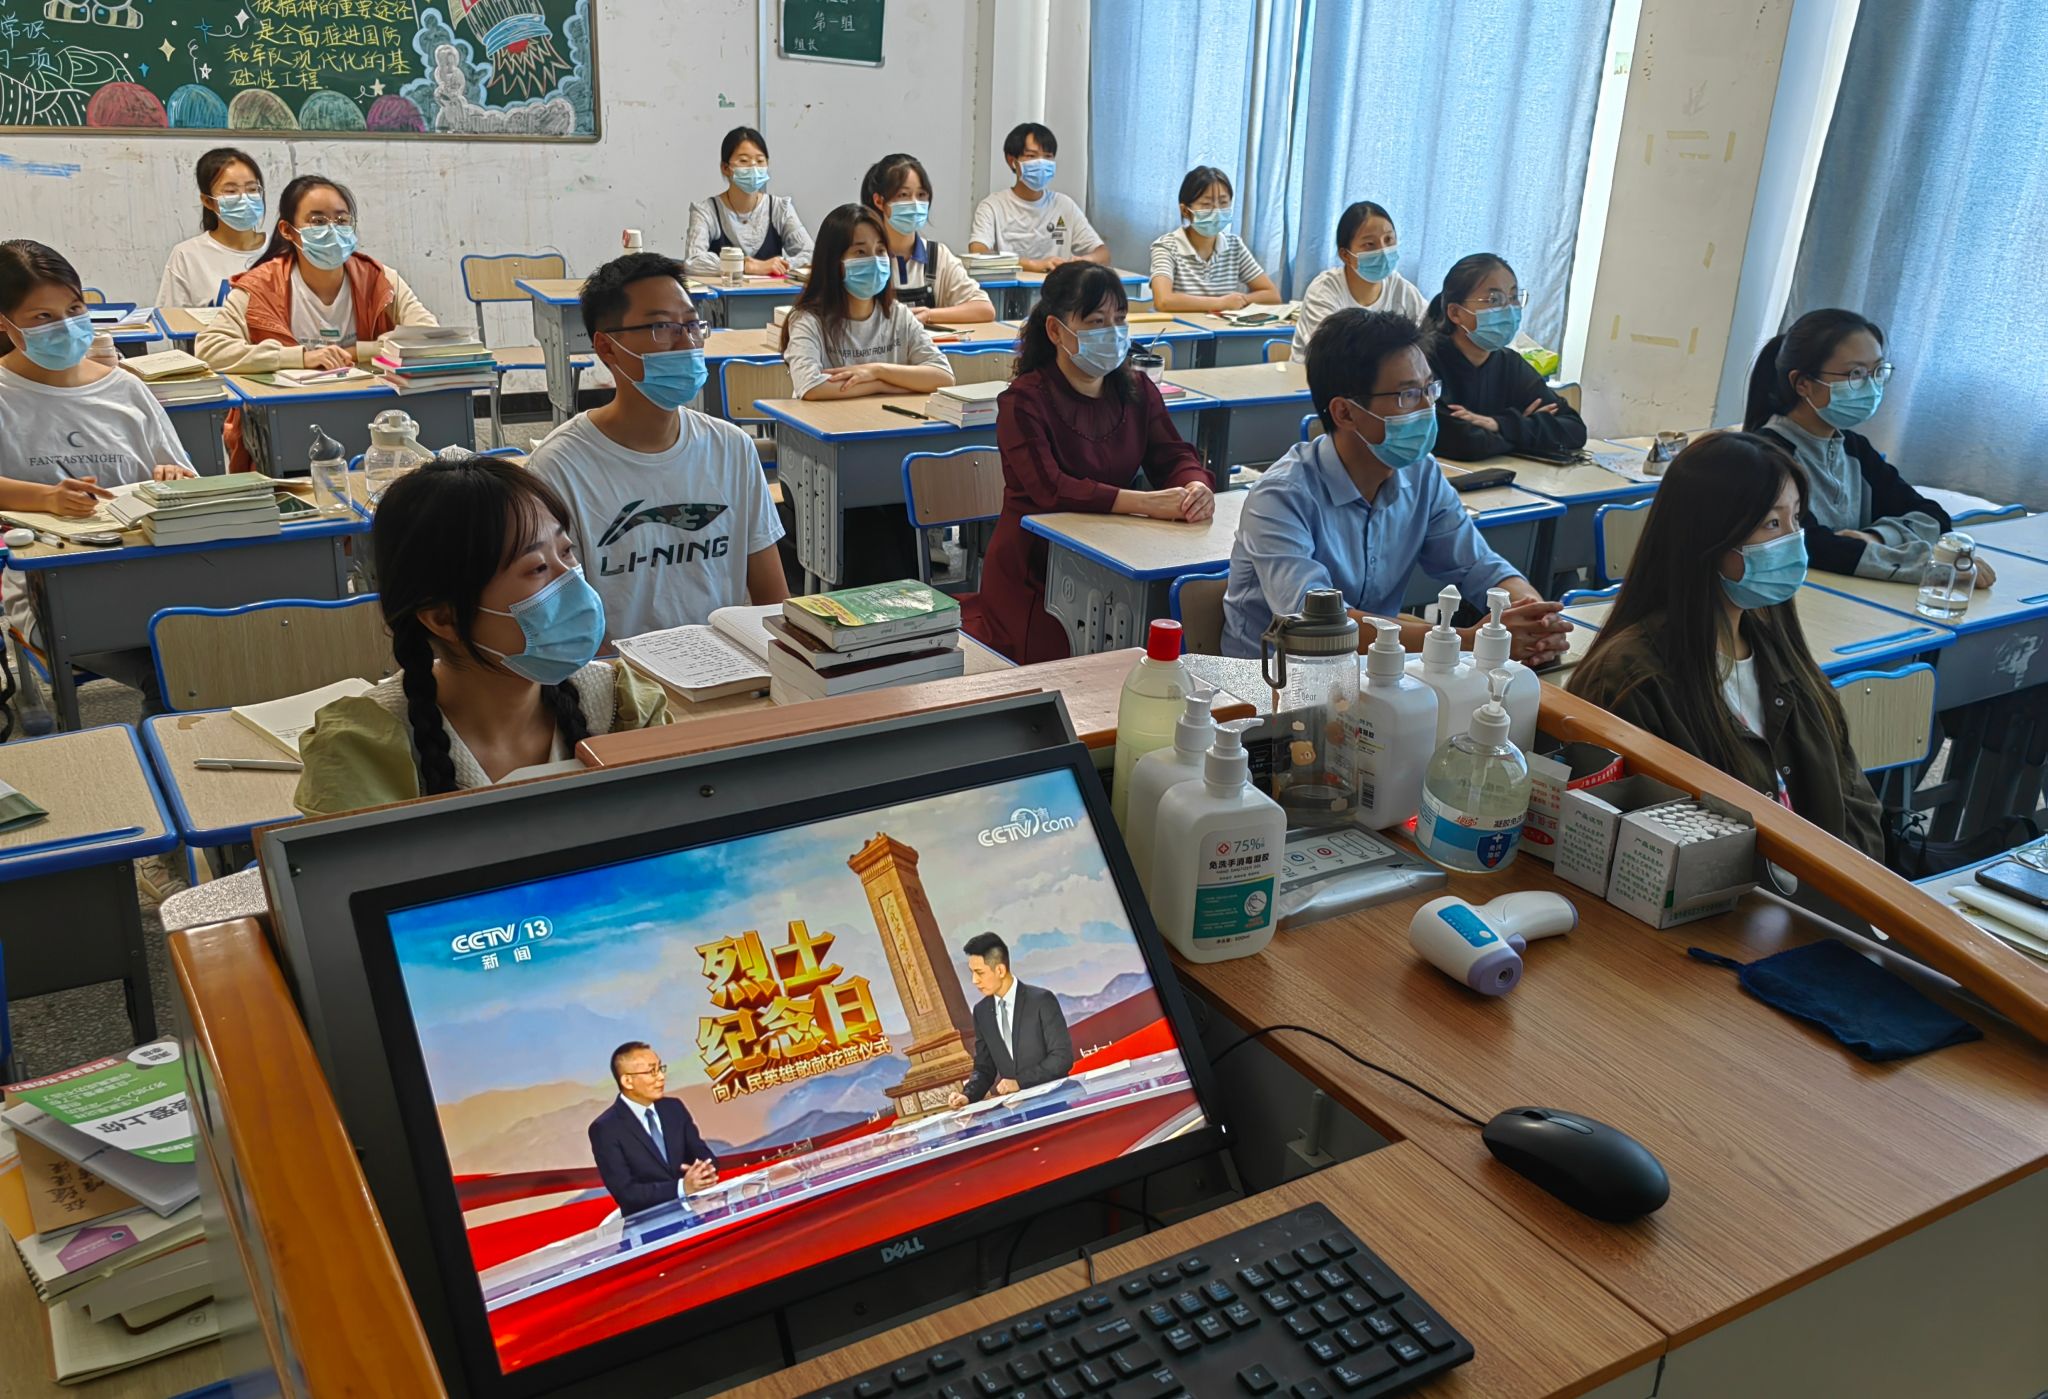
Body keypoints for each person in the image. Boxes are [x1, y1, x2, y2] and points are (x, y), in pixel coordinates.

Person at [294, 455, 670, 818]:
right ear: (444, 618)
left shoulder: (620, 706)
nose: (571, 580)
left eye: (566, 551)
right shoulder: (363, 752)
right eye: (537, 568)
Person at [1568, 433, 1884, 860]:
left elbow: (1856, 808)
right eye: (1772, 524)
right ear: (1708, 537)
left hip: (1819, 897)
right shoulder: (1630, 680)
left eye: (1796, 519)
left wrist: (1848, 891)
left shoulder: (1780, 650)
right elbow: (1634, 853)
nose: (1793, 540)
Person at [1222, 309, 1569, 662]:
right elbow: (1316, 626)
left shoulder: (1421, 474)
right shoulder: (1281, 496)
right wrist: (1466, 641)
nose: (1428, 407)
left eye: (1430, 389)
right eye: (1408, 395)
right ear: (1345, 412)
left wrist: (1534, 615)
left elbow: (1478, 566)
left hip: (1375, 673)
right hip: (1267, 679)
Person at [526, 253, 786, 638]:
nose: (686, 342)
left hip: (724, 665)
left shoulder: (732, 449)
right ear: (607, 348)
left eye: (692, 324)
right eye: (661, 327)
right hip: (620, 671)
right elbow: (564, 628)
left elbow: (773, 605)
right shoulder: (558, 469)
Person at [971, 262, 1214, 664]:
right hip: (1036, 568)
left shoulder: (1137, 389)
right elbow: (1050, 489)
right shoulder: (1023, 401)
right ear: (1055, 331)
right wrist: (1145, 503)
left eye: (1119, 320)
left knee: (1158, 643)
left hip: (1114, 551)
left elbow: (1173, 455)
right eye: (1097, 322)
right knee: (1075, 665)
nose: (1112, 333)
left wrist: (1194, 486)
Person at [1, 239, 197, 704]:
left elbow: (189, 479)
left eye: (74, 309)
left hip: (152, 572)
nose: (65, 326)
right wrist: (47, 498)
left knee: (238, 644)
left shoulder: (125, 388)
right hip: (55, 591)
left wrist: (173, 478)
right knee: (173, 672)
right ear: (5, 324)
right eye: (43, 317)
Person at [195, 175, 439, 471]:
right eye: (318, 221)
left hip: (375, 418)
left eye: (341, 220)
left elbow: (429, 338)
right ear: (288, 230)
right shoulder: (261, 286)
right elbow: (209, 349)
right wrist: (301, 358)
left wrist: (357, 352)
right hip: (291, 422)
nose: (332, 230)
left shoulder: (379, 279)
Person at [1742, 308, 1978, 585]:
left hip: (1850, 593)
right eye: (1855, 374)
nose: (1871, 386)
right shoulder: (1766, 457)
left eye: (1877, 371)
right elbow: (1810, 545)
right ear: (1803, 384)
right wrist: (1934, 568)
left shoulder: (1854, 448)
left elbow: (1933, 517)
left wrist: (1876, 537)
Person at [780, 204, 957, 401]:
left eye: (880, 250)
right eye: (860, 252)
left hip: (882, 418)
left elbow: (943, 376)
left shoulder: (897, 314)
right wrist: (881, 385)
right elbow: (811, 387)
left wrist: (877, 371)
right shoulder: (808, 320)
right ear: (834, 262)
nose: (875, 260)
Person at [1422, 253, 1586, 462]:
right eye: (1494, 300)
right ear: (1455, 313)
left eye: (1513, 297)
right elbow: (1464, 442)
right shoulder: (1422, 361)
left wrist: (1499, 424)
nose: (1508, 309)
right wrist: (1525, 429)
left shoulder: (1510, 364)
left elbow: (1575, 430)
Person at [859, 152, 997, 327]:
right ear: (879, 201)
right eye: (903, 195)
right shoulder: (865, 257)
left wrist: (929, 314)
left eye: (921, 195)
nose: (915, 204)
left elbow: (984, 309)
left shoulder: (937, 255)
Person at [587, 1042, 718, 1218]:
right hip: (648, 1224)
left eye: (660, 1068)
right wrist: (681, 1187)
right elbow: (626, 1193)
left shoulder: (674, 1108)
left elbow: (703, 1155)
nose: (661, 1077)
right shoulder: (605, 1129)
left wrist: (705, 1171)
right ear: (627, 1081)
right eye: (652, 1071)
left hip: (696, 1214)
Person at [946, 933, 1075, 1108]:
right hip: (1016, 1112)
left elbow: (1061, 1058)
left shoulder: (1041, 1001)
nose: (974, 980)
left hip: (1055, 1103)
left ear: (1000, 970)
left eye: (979, 973)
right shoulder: (981, 1012)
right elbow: (984, 1068)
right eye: (972, 973)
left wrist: (1020, 1082)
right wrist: (967, 1095)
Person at [1291, 200, 1426, 360]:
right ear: (1345, 255)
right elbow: (1329, 355)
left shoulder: (1400, 288)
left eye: (1389, 239)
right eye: (1369, 244)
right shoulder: (1324, 290)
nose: (1383, 251)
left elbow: (1430, 330)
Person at [968, 123, 1110, 271]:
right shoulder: (992, 206)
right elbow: (978, 251)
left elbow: (1103, 254)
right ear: (1012, 161)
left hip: (1057, 285)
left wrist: (1082, 261)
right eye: (1031, 156)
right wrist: (1032, 264)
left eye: (1048, 157)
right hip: (1011, 284)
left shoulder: (1064, 205)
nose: (1041, 163)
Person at [683, 126, 814, 280]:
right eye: (744, 161)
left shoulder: (780, 208)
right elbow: (693, 261)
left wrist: (779, 265)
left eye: (760, 161)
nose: (753, 167)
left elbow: (811, 254)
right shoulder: (706, 211)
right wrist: (745, 266)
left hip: (773, 292)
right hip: (725, 294)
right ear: (725, 168)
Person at [1146, 166, 1281, 313]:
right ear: (1185, 210)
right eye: (1206, 205)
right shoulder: (1166, 247)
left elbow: (1272, 295)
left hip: (1221, 327)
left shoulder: (1234, 245)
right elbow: (1163, 301)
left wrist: (1239, 301)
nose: (1216, 211)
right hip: (1180, 327)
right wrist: (1221, 303)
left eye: (1223, 203)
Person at [155, 147, 268, 308]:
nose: (245, 199)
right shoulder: (187, 256)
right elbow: (171, 319)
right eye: (231, 191)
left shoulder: (285, 250)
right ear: (208, 201)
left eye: (252, 189)